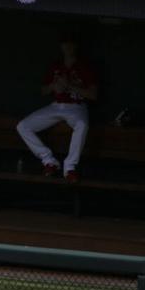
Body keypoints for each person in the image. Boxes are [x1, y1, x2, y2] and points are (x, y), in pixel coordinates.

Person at [15, 36, 98, 184]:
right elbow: (43, 90)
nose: (67, 47)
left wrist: (69, 86)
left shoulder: (84, 66)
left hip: (76, 106)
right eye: (65, 43)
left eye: (71, 43)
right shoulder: (56, 66)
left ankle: (70, 168)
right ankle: (49, 161)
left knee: (82, 125)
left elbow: (93, 94)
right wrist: (54, 86)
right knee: (23, 126)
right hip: (56, 105)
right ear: (61, 46)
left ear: (76, 46)